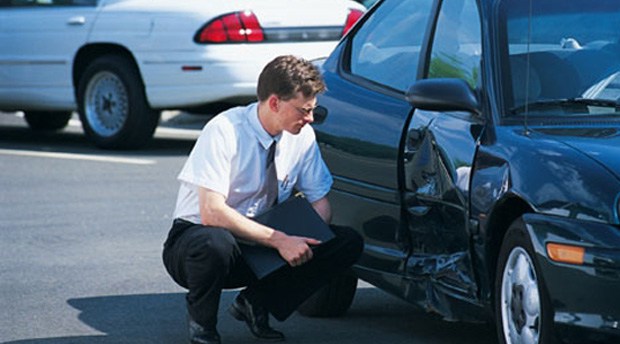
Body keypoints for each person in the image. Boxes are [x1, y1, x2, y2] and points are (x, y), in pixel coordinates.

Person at [162, 55, 363, 344]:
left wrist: (304, 242)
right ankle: (203, 326)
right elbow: (212, 213)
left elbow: (321, 204)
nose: (309, 120)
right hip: (201, 242)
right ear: (274, 103)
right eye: (303, 111)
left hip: (264, 234)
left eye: (313, 111)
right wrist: (280, 240)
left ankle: (256, 302)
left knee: (346, 241)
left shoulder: (301, 136)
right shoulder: (225, 129)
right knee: (214, 242)